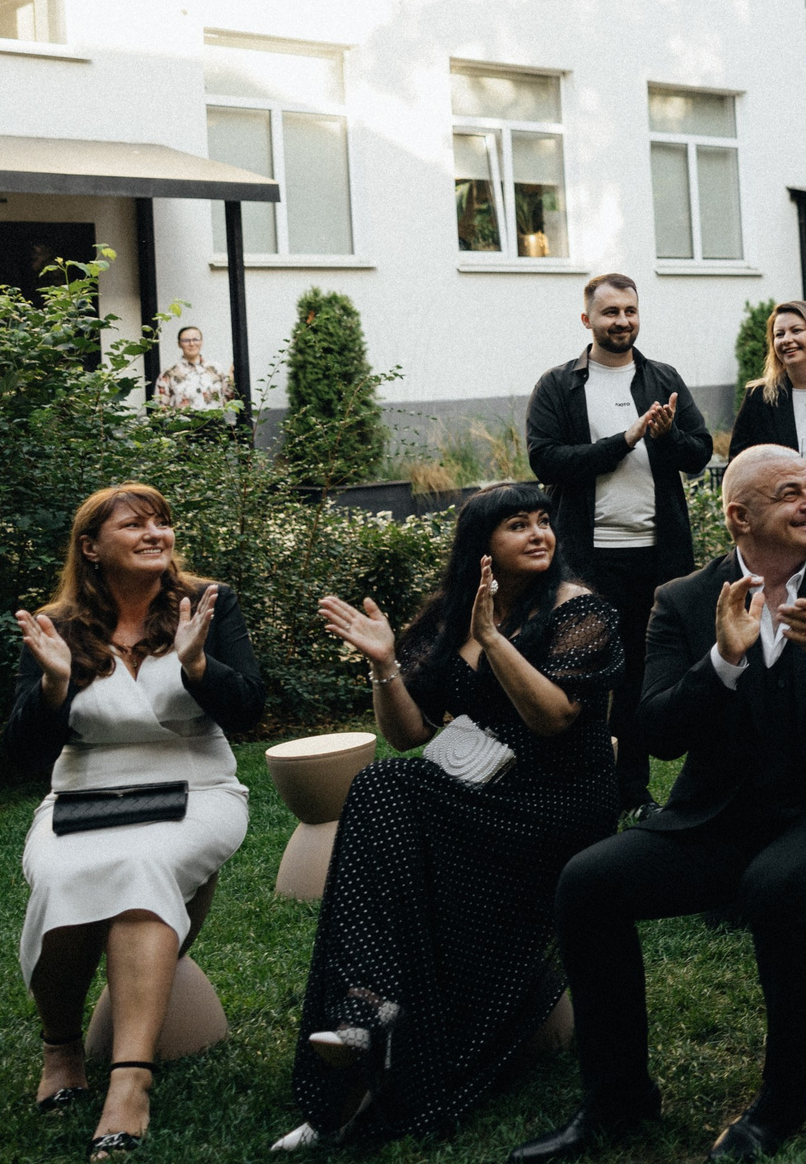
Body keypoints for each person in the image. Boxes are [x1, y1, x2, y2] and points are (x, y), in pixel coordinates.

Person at [512, 445, 806, 1163]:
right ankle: (617, 1098)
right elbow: (658, 733)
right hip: (722, 815)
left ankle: (783, 1097)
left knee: (779, 884)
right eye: (791, 493)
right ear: (740, 517)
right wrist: (722, 663)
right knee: (587, 883)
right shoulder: (683, 600)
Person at [275, 485, 621, 1149]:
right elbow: (408, 733)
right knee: (384, 783)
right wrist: (384, 665)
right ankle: (365, 1015)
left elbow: (553, 718)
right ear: (480, 544)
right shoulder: (447, 616)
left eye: (544, 521)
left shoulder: (579, 609)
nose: (539, 534)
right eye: (517, 524)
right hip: (474, 791)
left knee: (389, 791)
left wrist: (492, 639)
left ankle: (372, 1019)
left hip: (557, 799)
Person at [5, 484, 261, 1161]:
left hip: (194, 784)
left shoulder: (208, 602)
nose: (156, 534)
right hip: (84, 793)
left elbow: (250, 709)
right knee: (59, 877)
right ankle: (60, 1047)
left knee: (145, 867)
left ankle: (129, 1085)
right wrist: (53, 687)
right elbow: (20, 752)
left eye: (162, 523)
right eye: (135, 525)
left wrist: (198, 663)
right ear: (91, 547)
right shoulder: (55, 625)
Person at [525, 273, 714, 818]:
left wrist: (666, 436)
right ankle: (577, 786)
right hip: (586, 557)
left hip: (657, 555)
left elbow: (699, 453)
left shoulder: (663, 378)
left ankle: (631, 791)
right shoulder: (559, 385)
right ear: (587, 319)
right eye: (610, 312)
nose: (622, 321)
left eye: (630, 310)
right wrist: (625, 439)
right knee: (580, 670)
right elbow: (546, 460)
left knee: (639, 675)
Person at [728, 300, 806, 460]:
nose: (786, 339)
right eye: (779, 334)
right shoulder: (759, 397)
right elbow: (738, 461)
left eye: (796, 331)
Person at [152, 326, 235, 413]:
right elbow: (159, 407)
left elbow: (228, 399)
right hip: (183, 421)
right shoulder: (169, 373)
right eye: (186, 340)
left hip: (215, 420)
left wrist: (232, 378)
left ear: (201, 342)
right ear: (179, 344)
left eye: (195, 339)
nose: (191, 344)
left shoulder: (216, 369)